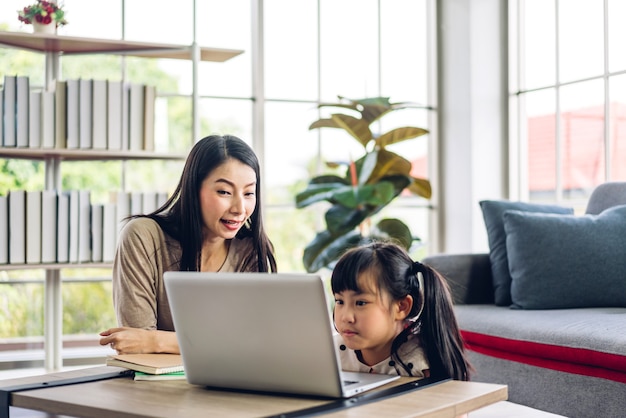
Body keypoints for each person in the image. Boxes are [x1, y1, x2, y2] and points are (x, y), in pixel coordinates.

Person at [99, 134, 277, 354]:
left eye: (249, 193)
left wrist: (156, 341)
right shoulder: (143, 237)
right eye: (224, 192)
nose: (240, 208)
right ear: (193, 189)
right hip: (153, 386)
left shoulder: (249, 250)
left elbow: (249, 345)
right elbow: (136, 346)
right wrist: (216, 343)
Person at [331, 241, 472, 382]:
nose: (346, 317)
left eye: (360, 303)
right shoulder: (329, 354)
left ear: (401, 307)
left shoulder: (422, 365)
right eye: (339, 301)